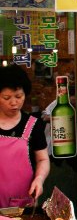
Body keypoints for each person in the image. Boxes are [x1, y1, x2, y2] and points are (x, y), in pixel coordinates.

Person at [0, 64, 50, 208]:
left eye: (18, 96)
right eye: (6, 97)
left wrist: (39, 179)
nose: (14, 102)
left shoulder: (33, 125)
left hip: (23, 201)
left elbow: (42, 159)